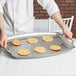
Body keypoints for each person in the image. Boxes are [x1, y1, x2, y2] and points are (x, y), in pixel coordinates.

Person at [0, 0, 73, 48]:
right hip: (7, 35)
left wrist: (64, 27)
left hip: (28, 34)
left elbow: (50, 4)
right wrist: (2, 31)